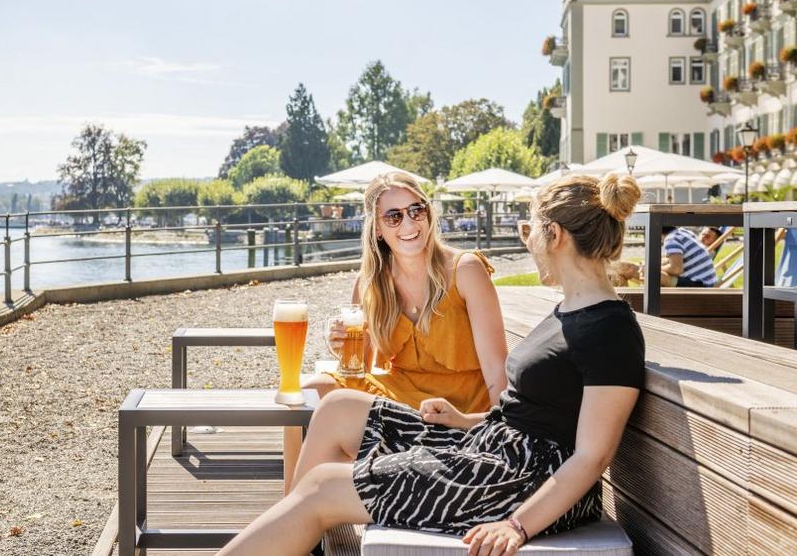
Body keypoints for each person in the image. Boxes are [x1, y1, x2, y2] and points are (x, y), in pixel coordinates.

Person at [218, 173, 645, 556]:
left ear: (555, 235)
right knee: (336, 409)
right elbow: (530, 413)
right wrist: (464, 420)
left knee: (322, 486)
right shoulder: (572, 311)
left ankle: (289, 535)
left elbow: (592, 455)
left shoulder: (608, 328)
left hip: (520, 479)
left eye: (529, 230)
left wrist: (517, 524)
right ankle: (291, 541)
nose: (526, 240)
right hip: (495, 450)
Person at [282, 171, 508, 492]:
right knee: (305, 393)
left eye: (417, 210)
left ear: (429, 213)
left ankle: (304, 516)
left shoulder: (465, 270)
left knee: (328, 416)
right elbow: (361, 369)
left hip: (457, 411)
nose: (409, 224)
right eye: (393, 216)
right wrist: (339, 345)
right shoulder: (371, 283)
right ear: (376, 228)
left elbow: (499, 376)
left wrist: (495, 433)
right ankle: (293, 507)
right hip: (400, 401)